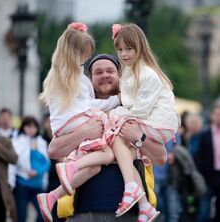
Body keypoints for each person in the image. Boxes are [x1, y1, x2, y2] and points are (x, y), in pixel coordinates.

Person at [48, 54, 167, 222]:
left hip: (131, 214)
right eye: (98, 72)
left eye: (110, 71)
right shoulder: (78, 113)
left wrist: (138, 137)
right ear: (90, 80)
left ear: (120, 75)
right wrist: (85, 132)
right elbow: (53, 150)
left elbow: (161, 157)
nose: (105, 75)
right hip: (83, 211)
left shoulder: (137, 110)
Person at [37, 22, 122, 222]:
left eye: (110, 71)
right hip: (87, 207)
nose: (85, 58)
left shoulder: (63, 74)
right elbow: (54, 150)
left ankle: (52, 196)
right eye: (85, 54)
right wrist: (116, 100)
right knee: (107, 152)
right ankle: (68, 172)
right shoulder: (74, 76)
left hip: (119, 207)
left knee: (93, 165)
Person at [107, 23, 180, 221]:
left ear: (140, 47)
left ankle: (131, 188)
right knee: (125, 152)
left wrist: (117, 113)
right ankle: (144, 205)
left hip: (159, 123)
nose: (123, 54)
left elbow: (140, 110)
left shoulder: (147, 74)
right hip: (148, 121)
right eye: (119, 49)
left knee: (117, 134)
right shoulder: (130, 72)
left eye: (129, 49)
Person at [12, 116, 50, 222]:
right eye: (28, 126)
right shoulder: (17, 140)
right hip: (22, 184)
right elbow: (15, 160)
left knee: (43, 214)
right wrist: (27, 170)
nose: (31, 129)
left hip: (37, 185)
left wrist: (37, 171)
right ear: (23, 127)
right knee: (22, 215)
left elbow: (46, 163)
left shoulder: (41, 142)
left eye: (34, 126)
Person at [194, 99, 220, 222]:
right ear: (212, 116)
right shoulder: (205, 134)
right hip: (208, 176)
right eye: (217, 114)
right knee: (204, 210)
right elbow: (199, 157)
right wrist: (202, 174)